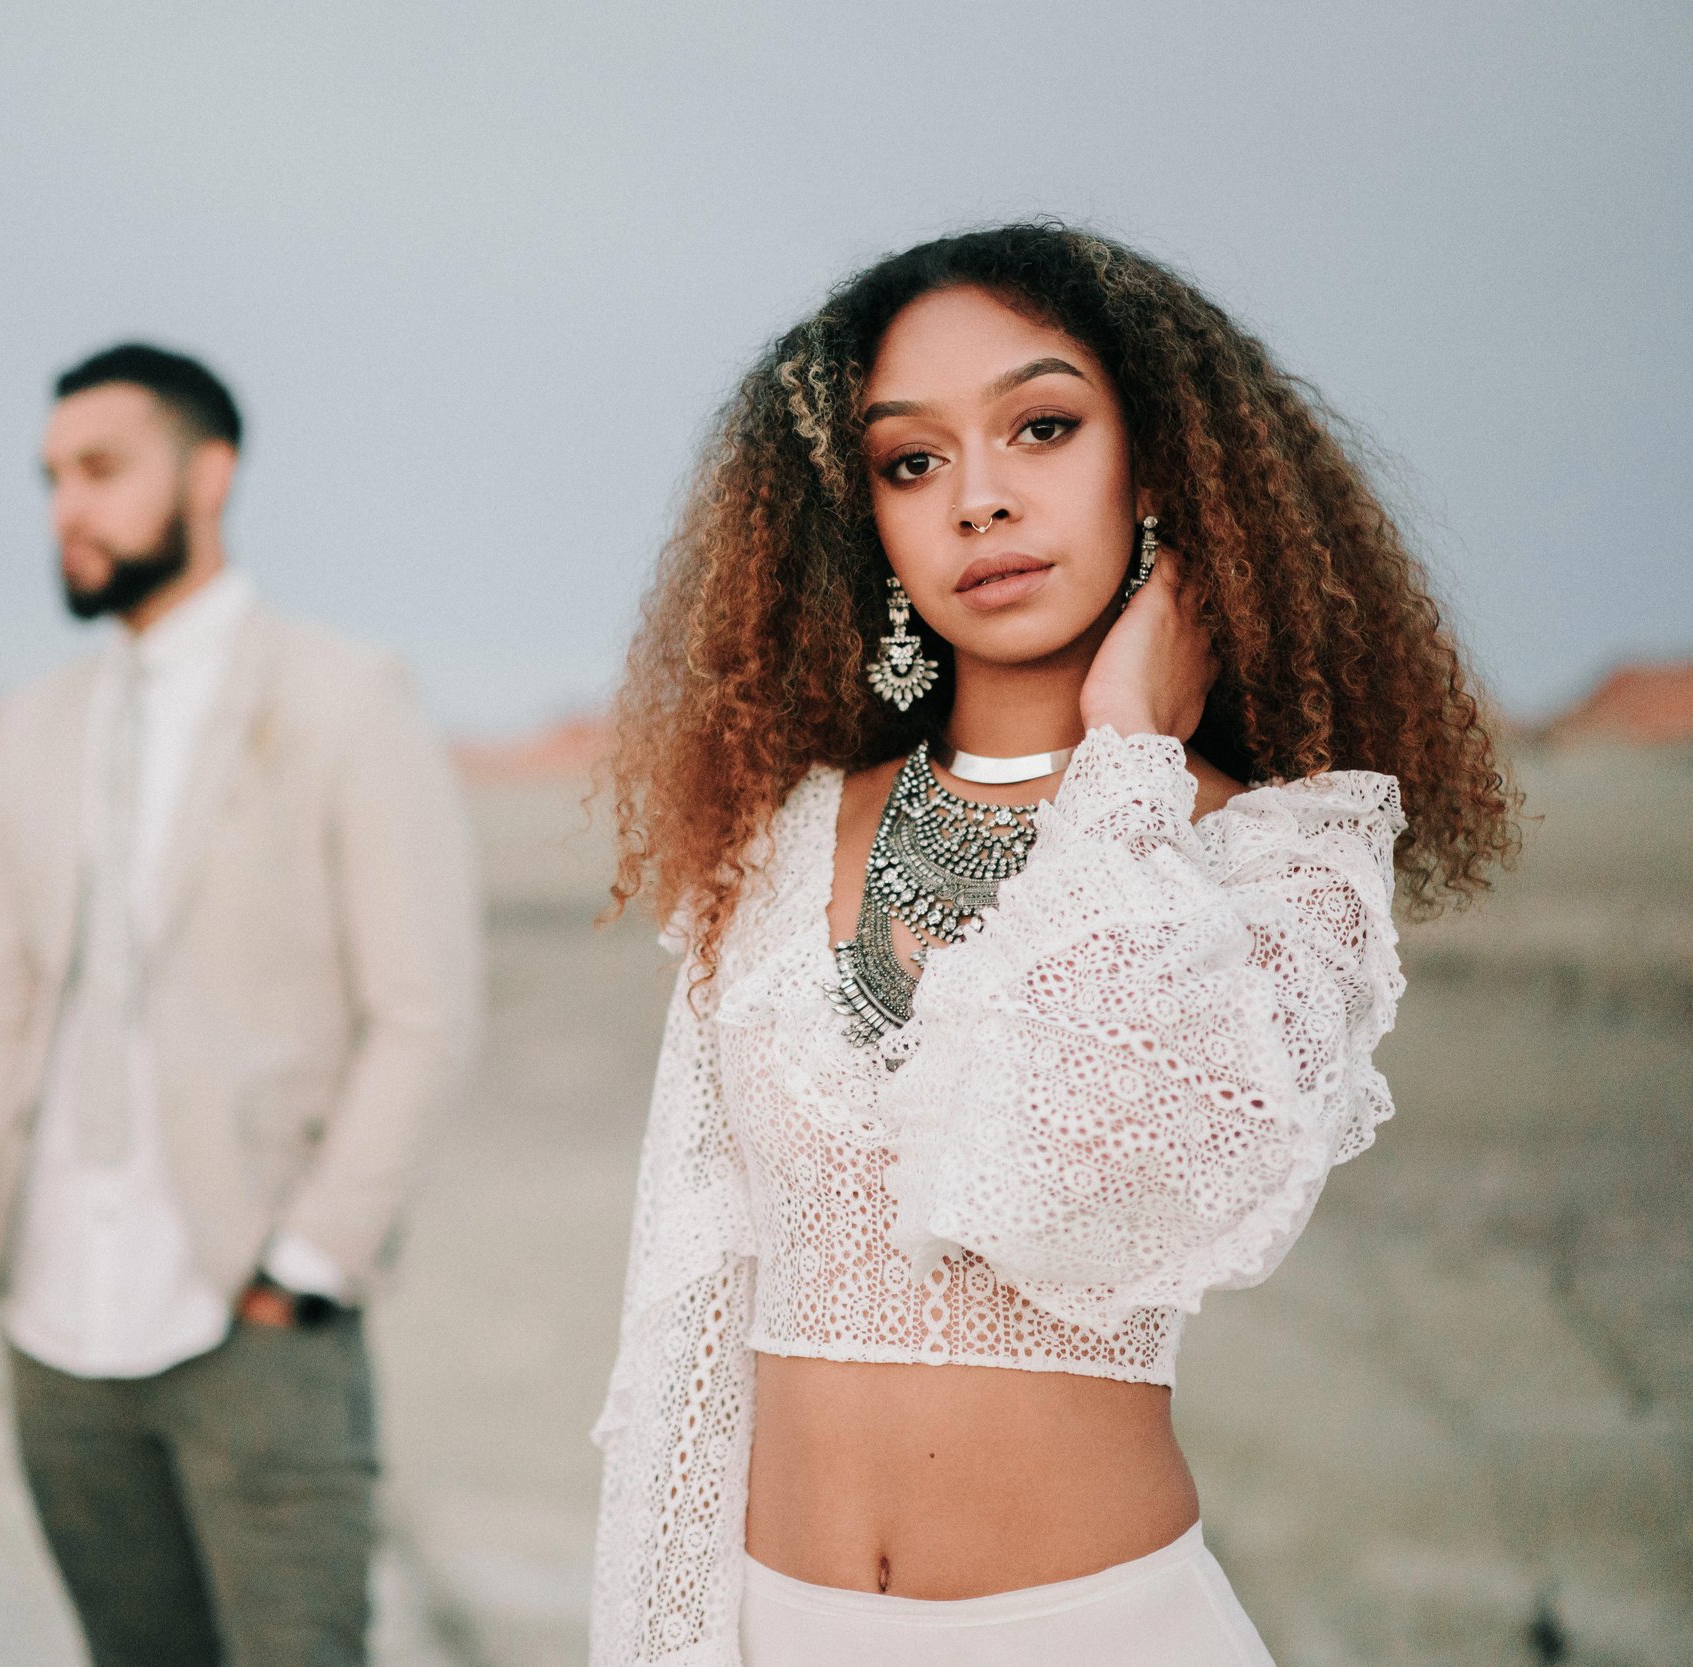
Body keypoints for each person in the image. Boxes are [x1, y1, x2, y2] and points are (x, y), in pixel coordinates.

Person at [589, 225, 1515, 1665]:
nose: (979, 501)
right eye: (913, 461)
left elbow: (1065, 1184)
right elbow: (690, 1302)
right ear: (870, 524)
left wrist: (1129, 760)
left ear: (1156, 470)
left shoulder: (1268, 859)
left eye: (1041, 426)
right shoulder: (771, 845)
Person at [0, 343, 483, 1667]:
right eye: (50, 480)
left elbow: (424, 1012)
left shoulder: (342, 696)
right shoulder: (30, 727)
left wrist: (307, 1267)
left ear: (210, 475)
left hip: (251, 1321)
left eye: (101, 471)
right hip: (53, 1335)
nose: (67, 511)